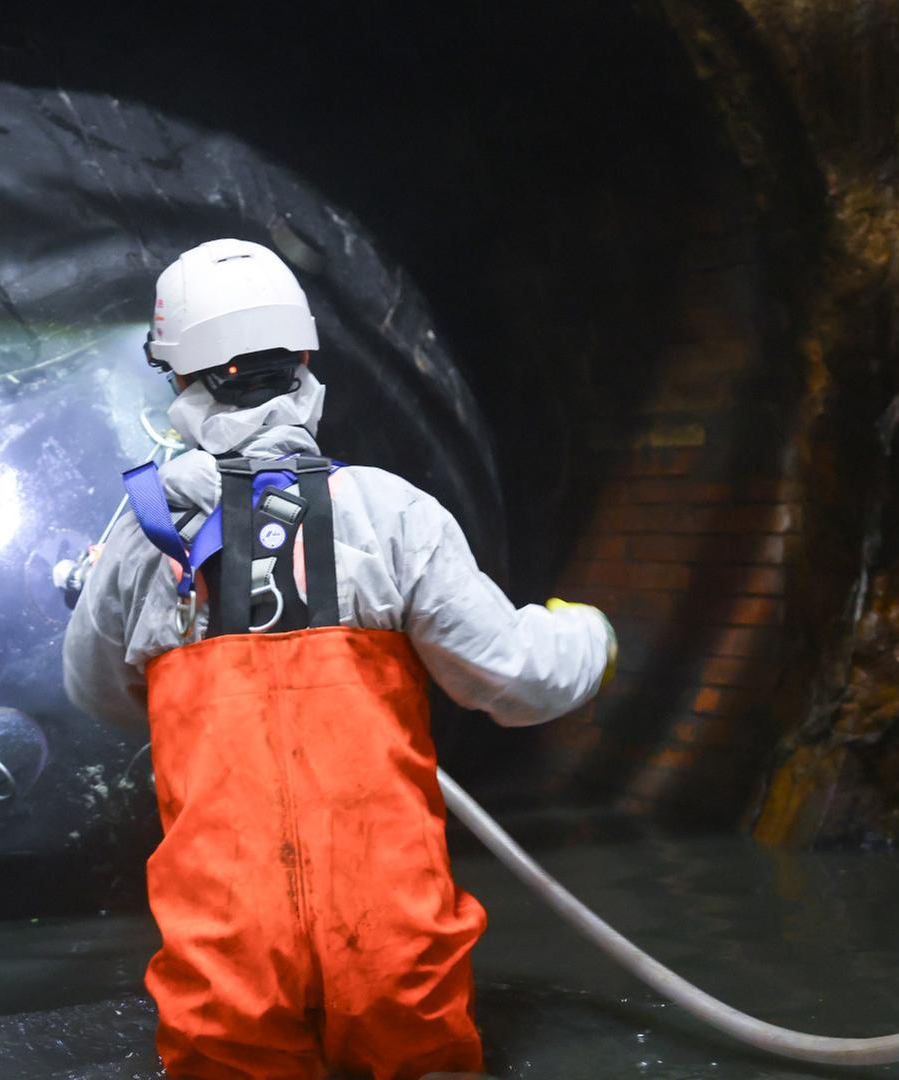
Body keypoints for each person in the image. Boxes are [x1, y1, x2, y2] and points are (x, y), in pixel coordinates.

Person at [62, 238, 615, 1080]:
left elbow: (95, 692)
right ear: (308, 360)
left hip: (228, 967)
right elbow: (518, 681)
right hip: (394, 954)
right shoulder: (394, 516)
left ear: (176, 376)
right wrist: (591, 636)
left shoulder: (147, 536)